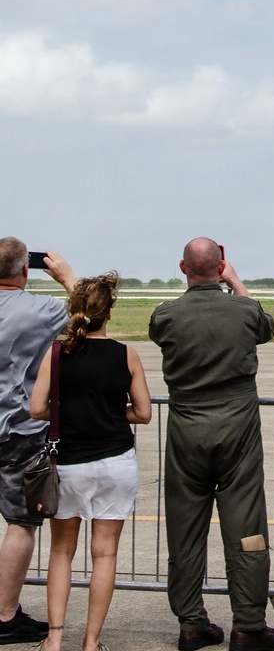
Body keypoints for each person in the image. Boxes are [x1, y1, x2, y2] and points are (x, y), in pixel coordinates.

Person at [148, 238, 274, 651]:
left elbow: (160, 334)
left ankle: (191, 622)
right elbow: (265, 326)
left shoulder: (166, 315)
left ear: (182, 267)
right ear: (221, 266)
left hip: (186, 433)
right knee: (246, 530)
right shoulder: (244, 310)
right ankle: (248, 624)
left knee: (185, 530)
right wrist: (236, 282)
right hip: (237, 433)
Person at [29, 273, 152, 651]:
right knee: (105, 554)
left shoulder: (57, 352)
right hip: (115, 461)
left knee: (62, 552)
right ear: (109, 314)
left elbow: (36, 408)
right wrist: (115, 413)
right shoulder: (124, 353)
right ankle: (91, 641)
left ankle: (54, 638)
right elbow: (144, 413)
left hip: (70, 465)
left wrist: (66, 413)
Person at [0, 237, 76, 646]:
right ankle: (5, 613)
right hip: (18, 428)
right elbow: (92, 315)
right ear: (25, 270)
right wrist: (66, 276)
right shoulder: (41, 309)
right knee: (21, 523)